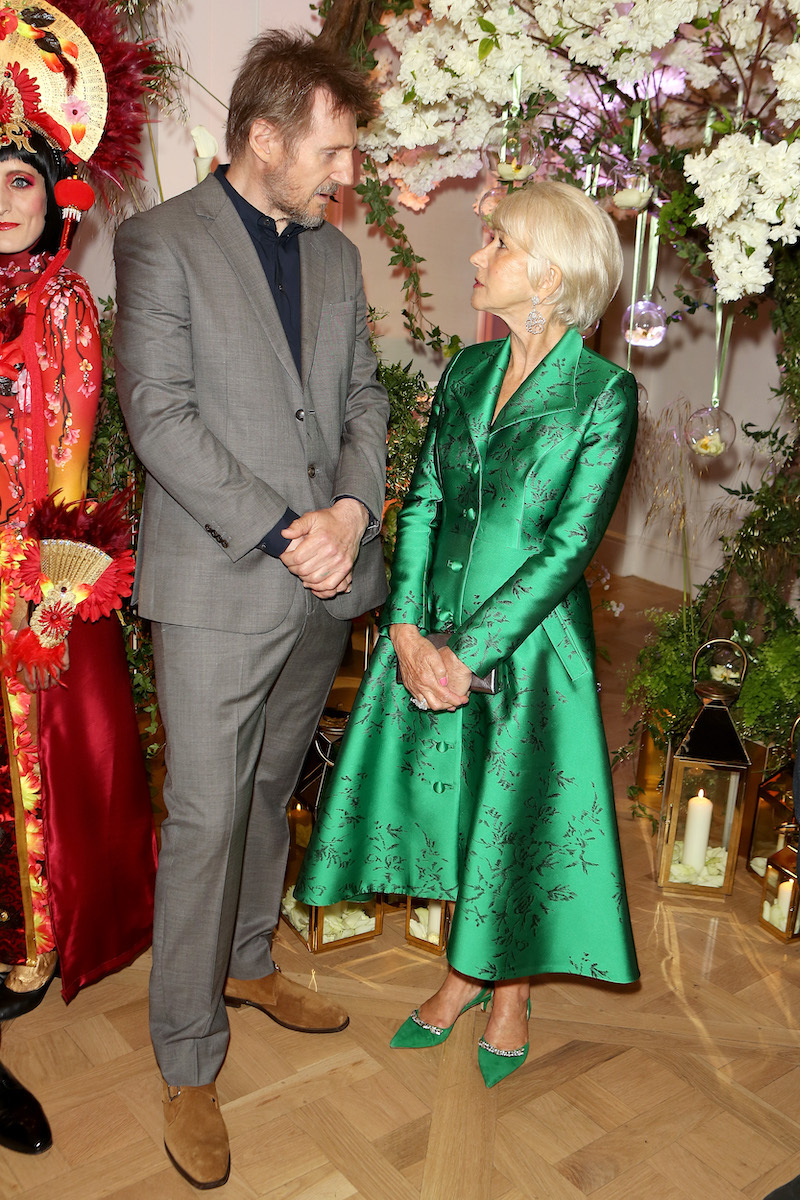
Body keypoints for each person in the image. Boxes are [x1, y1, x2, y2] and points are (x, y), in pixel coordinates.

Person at [113, 30, 389, 1190]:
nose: (343, 176)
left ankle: (244, 961)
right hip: (223, 582)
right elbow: (159, 418)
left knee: (274, 792)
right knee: (208, 817)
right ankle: (186, 1056)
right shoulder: (160, 241)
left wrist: (350, 512)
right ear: (263, 138)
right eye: (330, 152)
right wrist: (287, 532)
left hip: (324, 582)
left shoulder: (333, 256)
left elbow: (365, 399)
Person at [297, 179, 640, 1088]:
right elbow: (426, 502)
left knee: (514, 817)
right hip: (433, 634)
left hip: (527, 651)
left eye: (498, 245)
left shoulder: (603, 395)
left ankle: (510, 991)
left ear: (551, 272)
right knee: (457, 811)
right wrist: (406, 628)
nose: (477, 256)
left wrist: (465, 653)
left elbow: (568, 548)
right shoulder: (466, 370)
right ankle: (459, 974)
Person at [0, 5, 156, 1023]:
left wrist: (44, 585)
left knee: (37, 758)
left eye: (17, 179)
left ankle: (37, 940)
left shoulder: (65, 307)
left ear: (55, 193)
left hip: (21, 562)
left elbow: (68, 465)